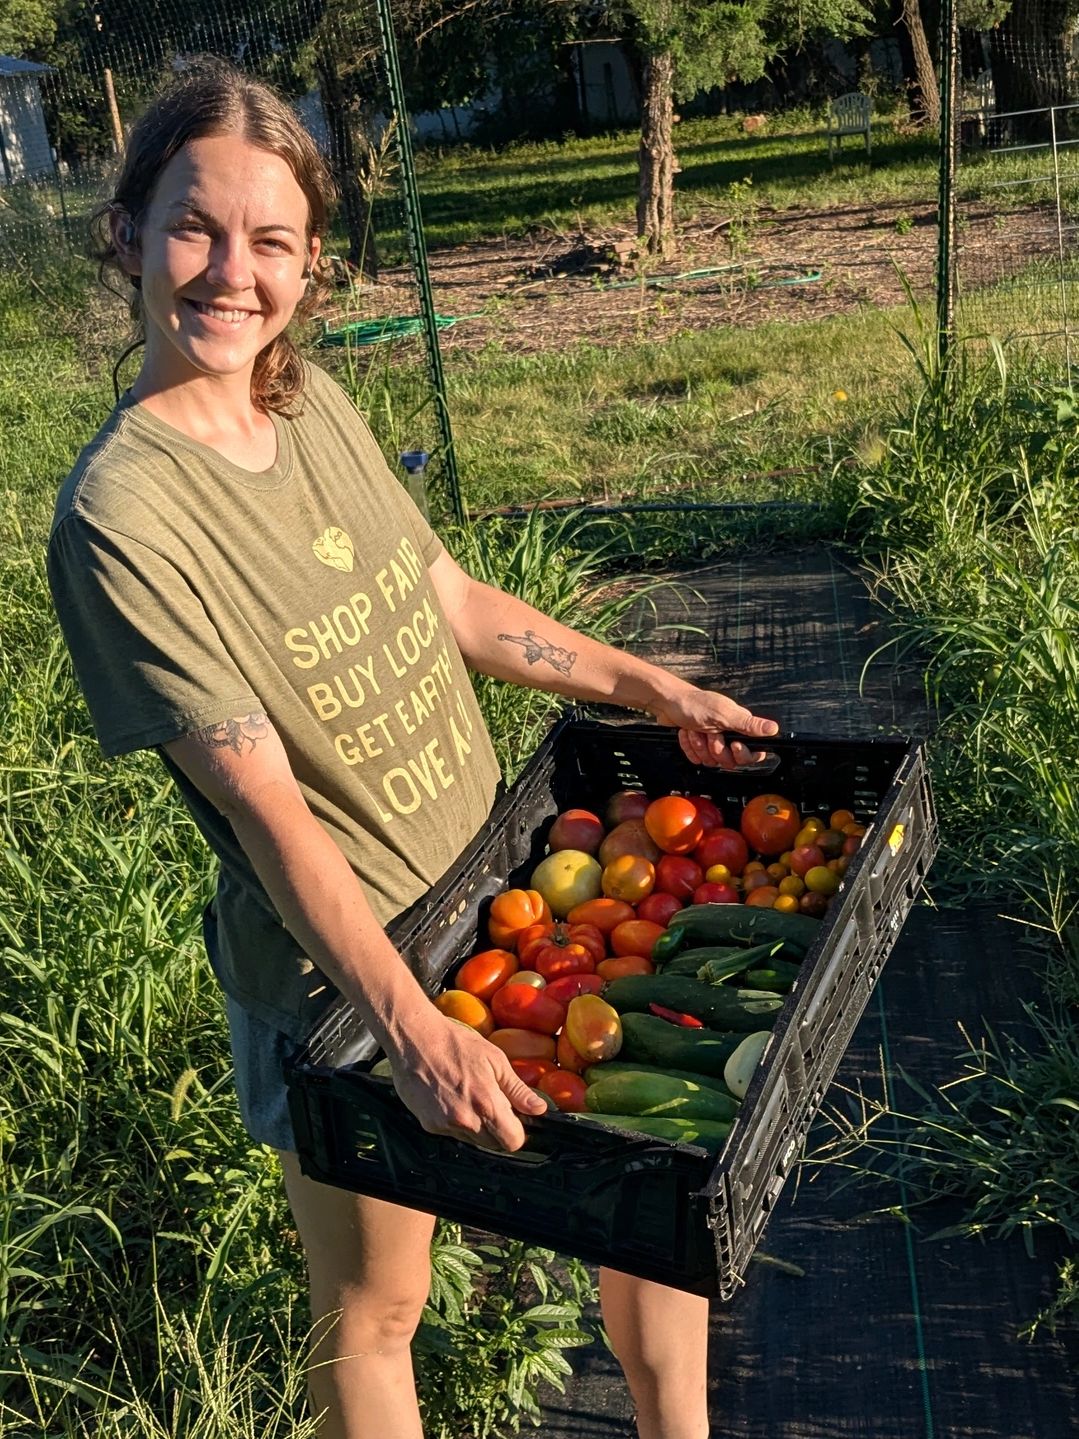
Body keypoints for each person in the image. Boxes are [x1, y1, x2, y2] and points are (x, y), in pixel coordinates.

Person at [46, 59, 779, 1439]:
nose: (230, 274)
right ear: (130, 229)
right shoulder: (123, 515)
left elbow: (445, 599)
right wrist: (411, 1030)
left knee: (649, 1216)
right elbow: (265, 810)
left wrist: (645, 686)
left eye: (271, 242)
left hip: (501, 900)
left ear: (312, 265)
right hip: (349, 980)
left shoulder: (308, 404)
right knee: (379, 1308)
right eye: (196, 227)